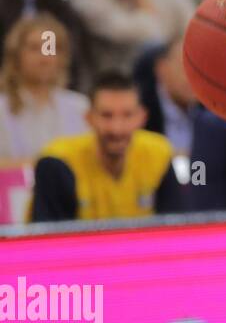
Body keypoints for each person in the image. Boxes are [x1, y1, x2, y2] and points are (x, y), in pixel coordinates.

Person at [27, 70, 184, 222]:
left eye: (127, 115)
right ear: (89, 118)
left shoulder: (159, 153)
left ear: (142, 117)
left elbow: (175, 229)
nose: (116, 128)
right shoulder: (57, 162)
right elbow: (49, 243)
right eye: (106, 115)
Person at [0, 14, 90, 161]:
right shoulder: (2, 110)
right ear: (16, 55)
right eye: (34, 48)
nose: (44, 58)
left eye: (50, 49)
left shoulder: (80, 106)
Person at [133, 38, 199, 154]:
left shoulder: (214, 111)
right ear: (161, 68)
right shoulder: (136, 108)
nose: (194, 78)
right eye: (186, 68)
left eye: (199, 70)